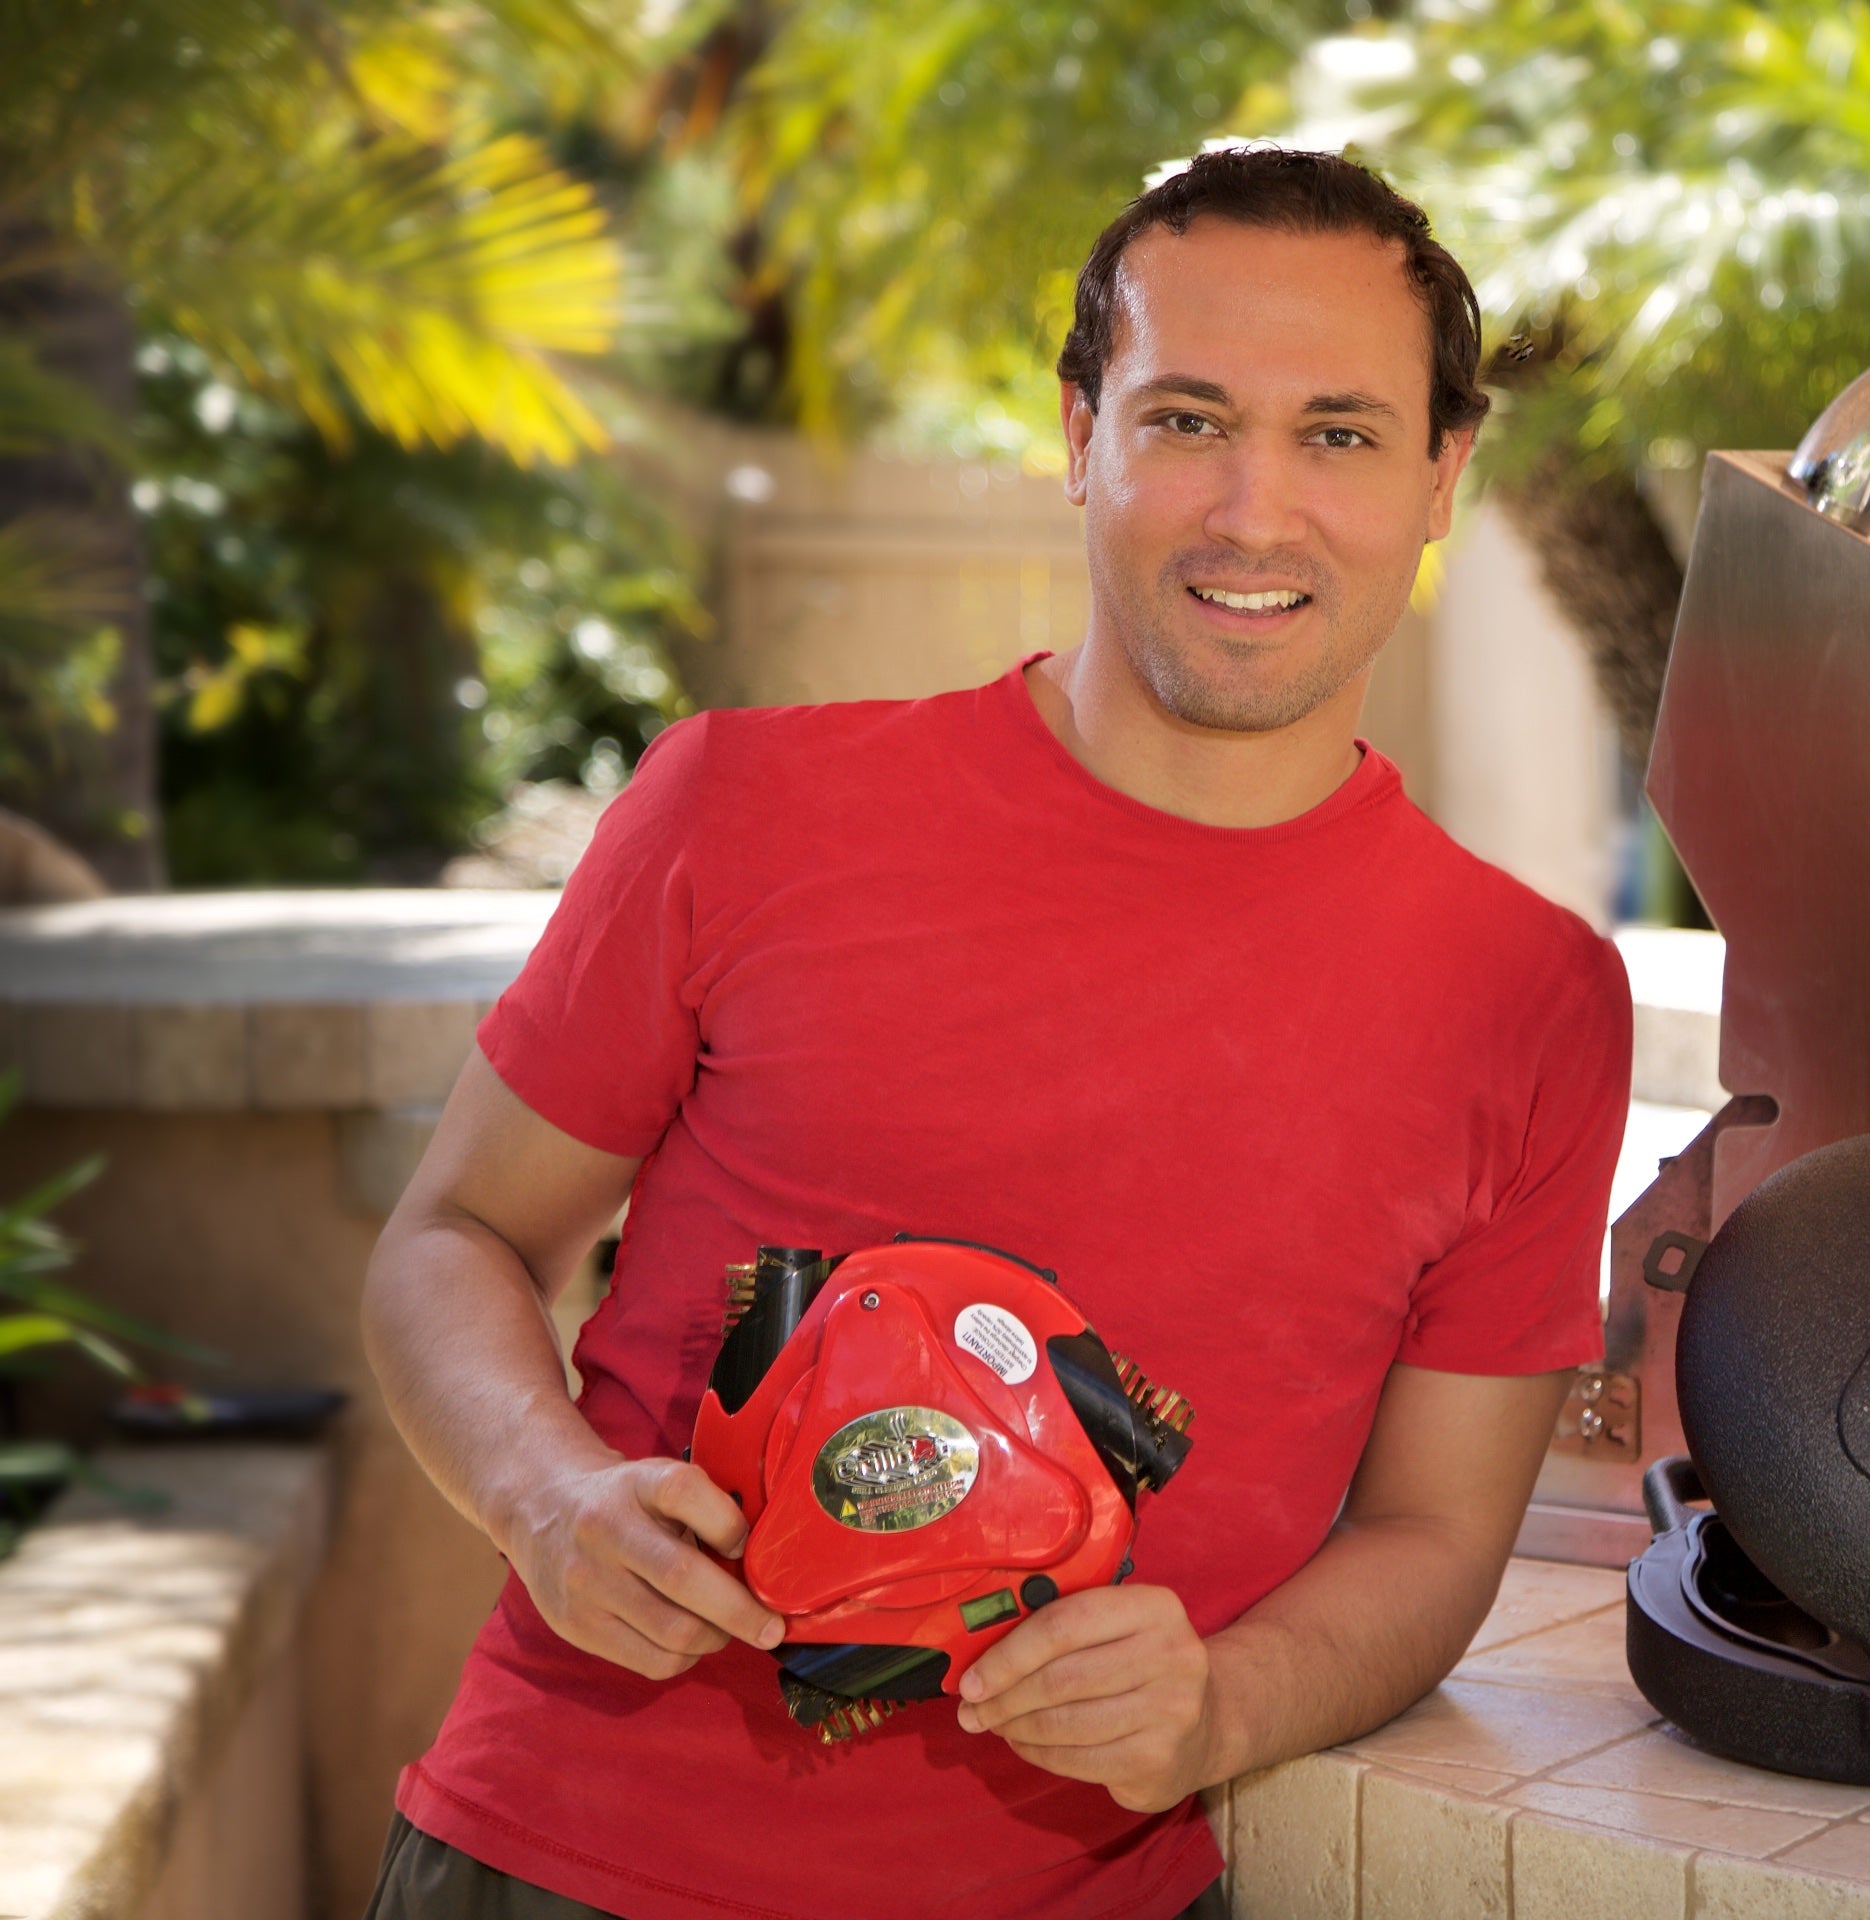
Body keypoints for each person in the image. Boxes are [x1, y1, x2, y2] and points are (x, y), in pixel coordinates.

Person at [359, 147, 1633, 1920]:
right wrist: (541, 1492)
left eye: (1338, 432)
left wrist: (1222, 1706)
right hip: (568, 1865)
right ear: (1080, 433)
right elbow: (454, 1237)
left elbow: (1434, 1537)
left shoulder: (1534, 1000)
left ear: (1440, 475)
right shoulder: (745, 807)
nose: (1255, 510)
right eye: (1189, 418)